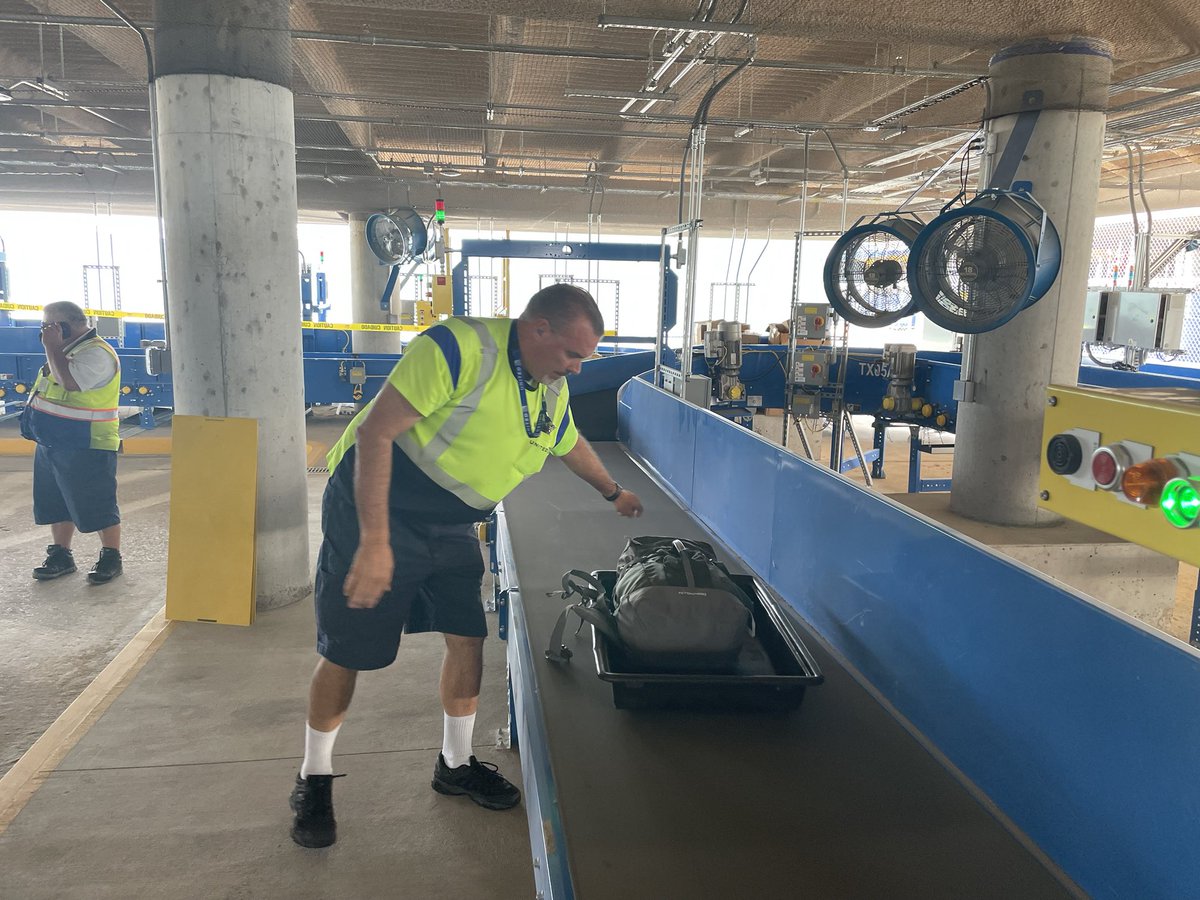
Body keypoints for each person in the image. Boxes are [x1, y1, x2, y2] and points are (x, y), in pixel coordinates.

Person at [290, 284, 643, 848]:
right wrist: (375, 542)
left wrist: (612, 492)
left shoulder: (546, 385)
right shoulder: (459, 349)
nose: (577, 369)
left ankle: (454, 765)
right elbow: (378, 433)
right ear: (538, 329)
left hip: (449, 523)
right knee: (348, 652)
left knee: (467, 636)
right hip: (378, 507)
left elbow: (566, 441)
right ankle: (314, 777)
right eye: (573, 355)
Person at [22, 301, 123, 584]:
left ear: (65, 325)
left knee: (97, 502)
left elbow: (69, 382)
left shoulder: (97, 354)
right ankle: (61, 555)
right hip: (53, 440)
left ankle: (111, 556)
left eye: (49, 326)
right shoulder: (68, 350)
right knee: (54, 500)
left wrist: (51, 346)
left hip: (87, 442)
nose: (45, 332)